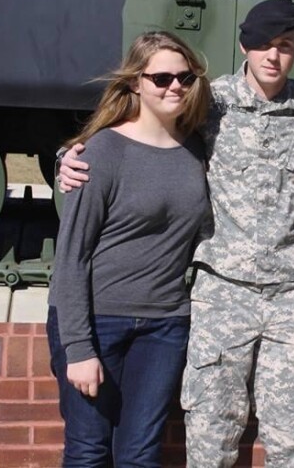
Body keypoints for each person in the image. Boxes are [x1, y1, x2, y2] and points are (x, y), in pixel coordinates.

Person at [58, 0, 294, 467]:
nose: (272, 56)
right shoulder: (209, 103)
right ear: (244, 45)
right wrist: (69, 158)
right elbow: (135, 130)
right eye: (262, 44)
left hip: (285, 295)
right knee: (208, 436)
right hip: (220, 293)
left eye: (284, 46)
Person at [47, 31, 211, 467]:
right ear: (136, 82)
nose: (174, 86)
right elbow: (71, 257)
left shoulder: (199, 149)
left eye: (185, 77)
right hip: (99, 321)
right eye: (161, 78)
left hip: (165, 326)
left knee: (140, 455)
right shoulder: (100, 154)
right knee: (88, 452)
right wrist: (79, 349)